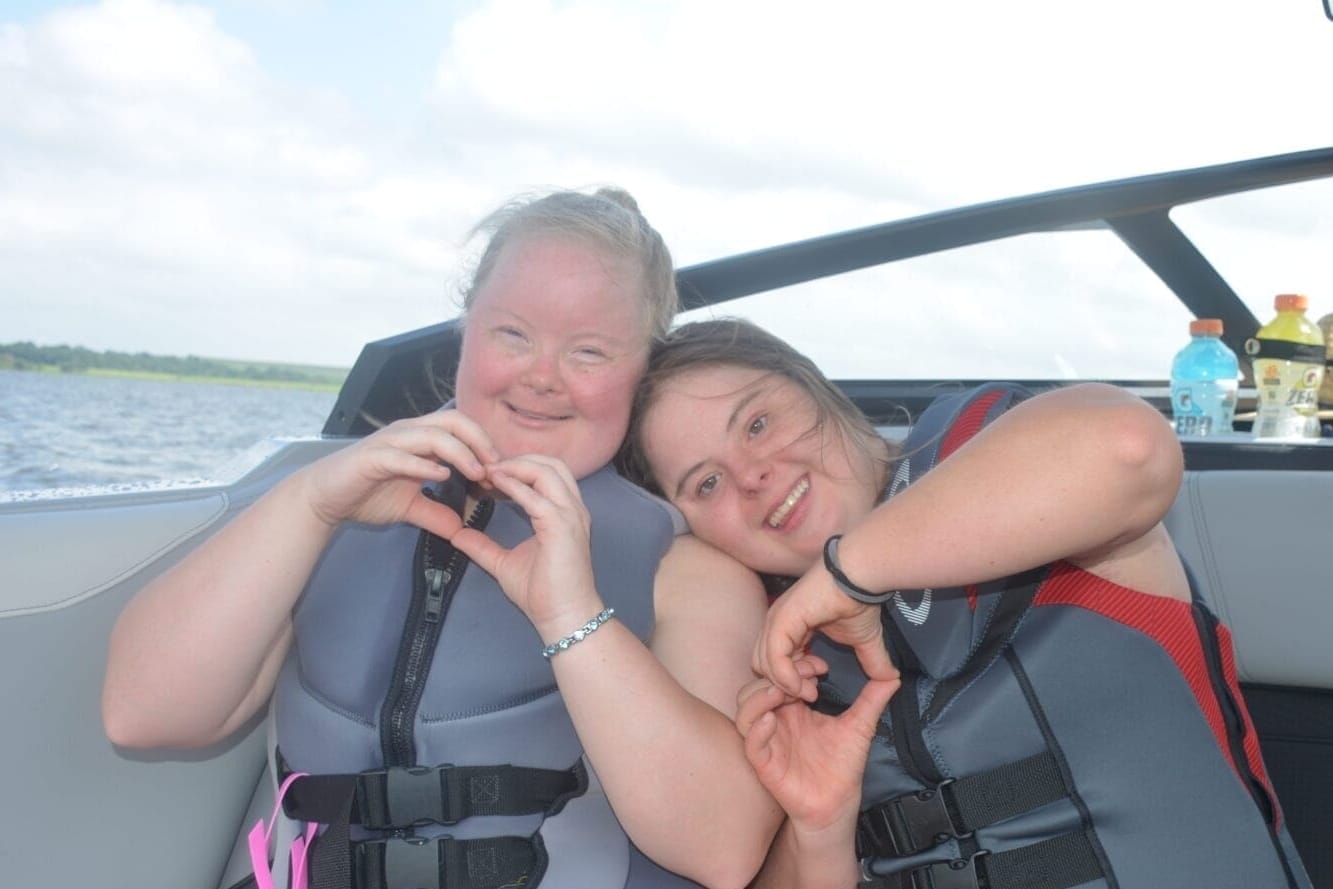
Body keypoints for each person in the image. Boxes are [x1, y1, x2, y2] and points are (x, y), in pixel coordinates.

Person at [102, 192, 784, 889]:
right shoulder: (325, 513)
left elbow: (724, 851)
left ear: (640, 369)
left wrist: (571, 617)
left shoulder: (684, 571)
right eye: (512, 334)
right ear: (465, 329)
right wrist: (309, 503)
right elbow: (141, 714)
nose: (541, 375)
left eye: (588, 351)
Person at [618, 318, 1311, 889]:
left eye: (758, 423)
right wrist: (821, 828)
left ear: (816, 385)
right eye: (705, 484)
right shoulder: (789, 669)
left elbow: (1128, 448)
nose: (750, 476)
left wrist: (850, 571)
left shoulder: (1007, 464)